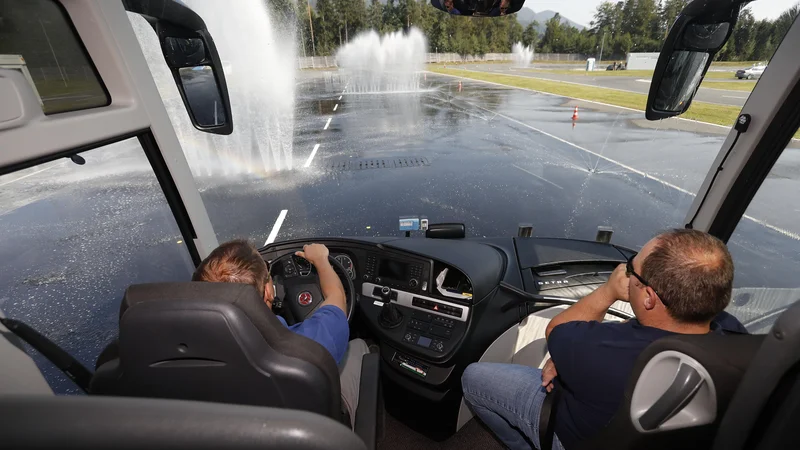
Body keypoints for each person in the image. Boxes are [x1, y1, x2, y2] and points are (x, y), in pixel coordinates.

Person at [461, 229, 747, 449]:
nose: (625, 273)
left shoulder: (599, 349)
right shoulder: (739, 340)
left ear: (648, 297)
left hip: (580, 437)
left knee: (474, 378)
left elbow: (557, 329)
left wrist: (609, 290)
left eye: (631, 270)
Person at [192, 240, 369, 427]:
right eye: (267, 270)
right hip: (310, 429)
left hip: (239, 430)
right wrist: (321, 260)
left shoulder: (188, 352)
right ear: (268, 291)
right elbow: (336, 296)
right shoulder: (309, 346)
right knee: (359, 346)